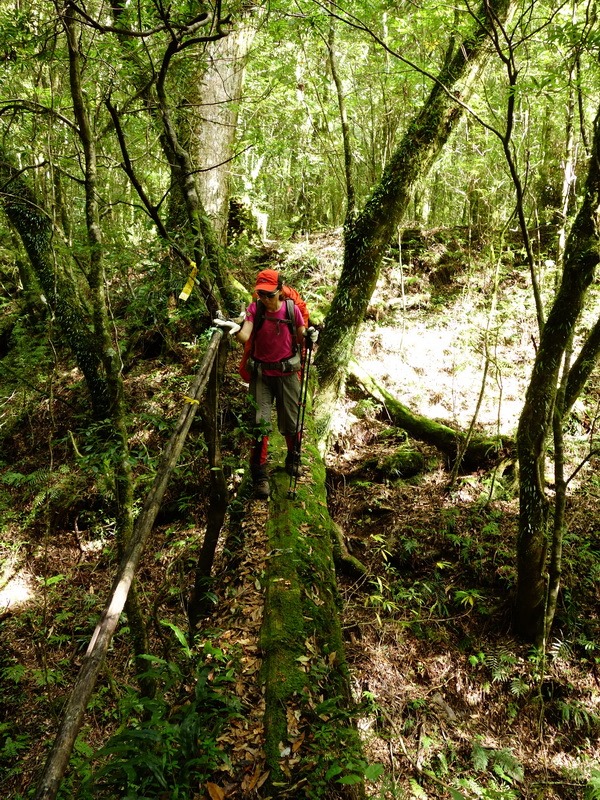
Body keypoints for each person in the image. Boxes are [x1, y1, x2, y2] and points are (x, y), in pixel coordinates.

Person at [214, 269, 316, 499]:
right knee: (260, 424)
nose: (265, 299)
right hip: (261, 375)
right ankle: (259, 473)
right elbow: (246, 335)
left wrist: (309, 335)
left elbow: (300, 335)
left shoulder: (291, 309)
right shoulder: (255, 309)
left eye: (269, 294)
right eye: (261, 294)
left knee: (291, 419)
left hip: (287, 373)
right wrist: (235, 329)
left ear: (280, 291)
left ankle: (293, 456)